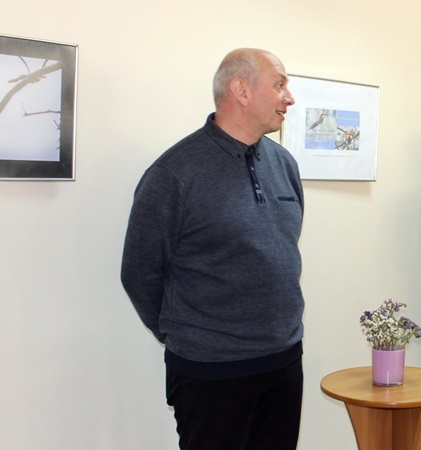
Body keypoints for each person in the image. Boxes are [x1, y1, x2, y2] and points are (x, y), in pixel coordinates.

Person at [121, 48, 304, 450]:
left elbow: (283, 249)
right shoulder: (174, 173)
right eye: (279, 84)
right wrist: (186, 334)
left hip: (284, 360)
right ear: (241, 90)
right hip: (210, 371)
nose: (289, 97)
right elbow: (139, 271)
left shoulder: (284, 163)